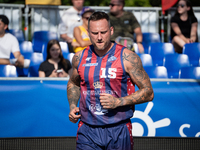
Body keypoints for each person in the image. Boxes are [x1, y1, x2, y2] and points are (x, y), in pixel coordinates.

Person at [67, 12, 154, 150]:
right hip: (87, 131)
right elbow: (73, 83)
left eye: (104, 32)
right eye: (95, 33)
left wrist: (119, 101)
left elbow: (148, 92)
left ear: (111, 30)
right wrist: (72, 106)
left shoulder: (127, 57)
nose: (100, 37)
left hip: (118, 129)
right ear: (88, 32)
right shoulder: (79, 58)